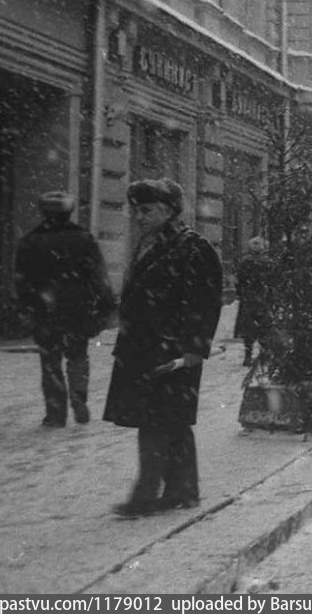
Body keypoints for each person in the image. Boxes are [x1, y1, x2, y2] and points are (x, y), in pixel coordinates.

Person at [104, 179, 223, 517]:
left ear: (169, 210)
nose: (139, 217)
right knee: (170, 420)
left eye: (147, 210)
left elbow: (205, 301)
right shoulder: (151, 243)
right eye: (137, 210)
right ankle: (182, 491)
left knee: (155, 421)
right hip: (144, 347)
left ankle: (145, 495)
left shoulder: (192, 247)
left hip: (171, 350)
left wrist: (194, 348)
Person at [14, 191, 115, 427]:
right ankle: (79, 398)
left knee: (50, 362)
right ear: (69, 212)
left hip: (45, 312)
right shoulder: (83, 238)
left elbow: (22, 280)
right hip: (78, 310)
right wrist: (105, 305)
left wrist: (27, 307)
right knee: (78, 356)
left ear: (44, 212)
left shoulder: (30, 240)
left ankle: (56, 413)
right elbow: (98, 276)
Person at [233, 236, 273, 368]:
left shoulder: (245, 262)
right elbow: (273, 281)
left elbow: (239, 281)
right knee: (264, 328)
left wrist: (241, 293)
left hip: (249, 299)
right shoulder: (268, 263)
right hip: (263, 298)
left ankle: (248, 356)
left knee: (248, 329)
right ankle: (264, 355)